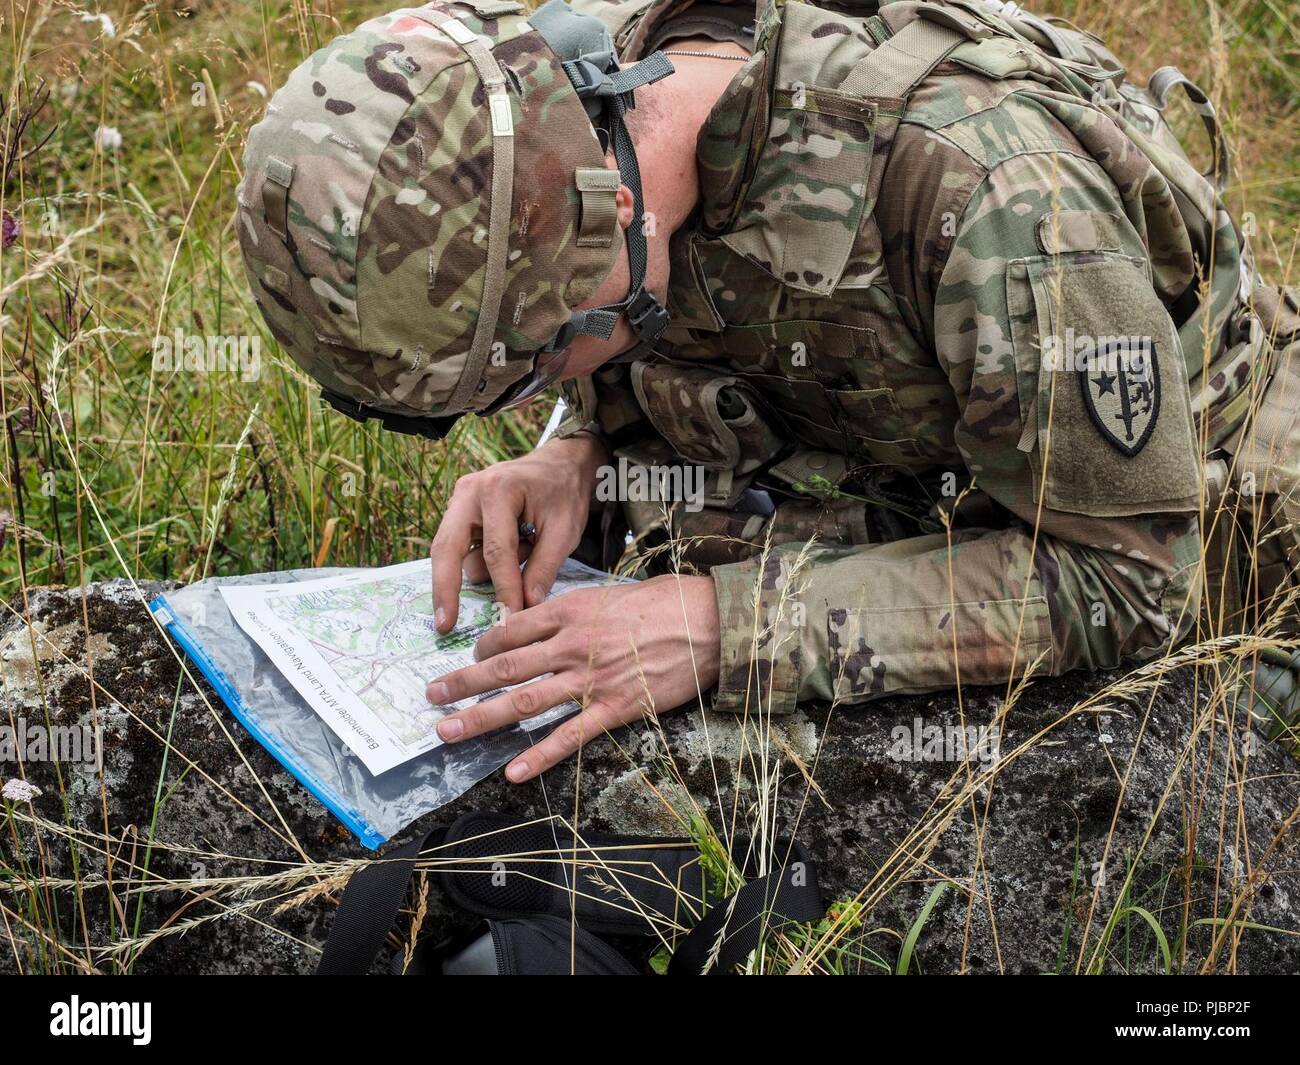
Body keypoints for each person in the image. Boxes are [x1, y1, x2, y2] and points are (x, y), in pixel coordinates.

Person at [236, 0, 1300, 784]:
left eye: (540, 363)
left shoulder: (988, 193)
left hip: (1205, 528)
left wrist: (719, 625)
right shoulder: (582, 108)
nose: (544, 386)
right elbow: (668, 326)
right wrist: (577, 449)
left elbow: (1128, 576)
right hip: (886, 465)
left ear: (610, 216)